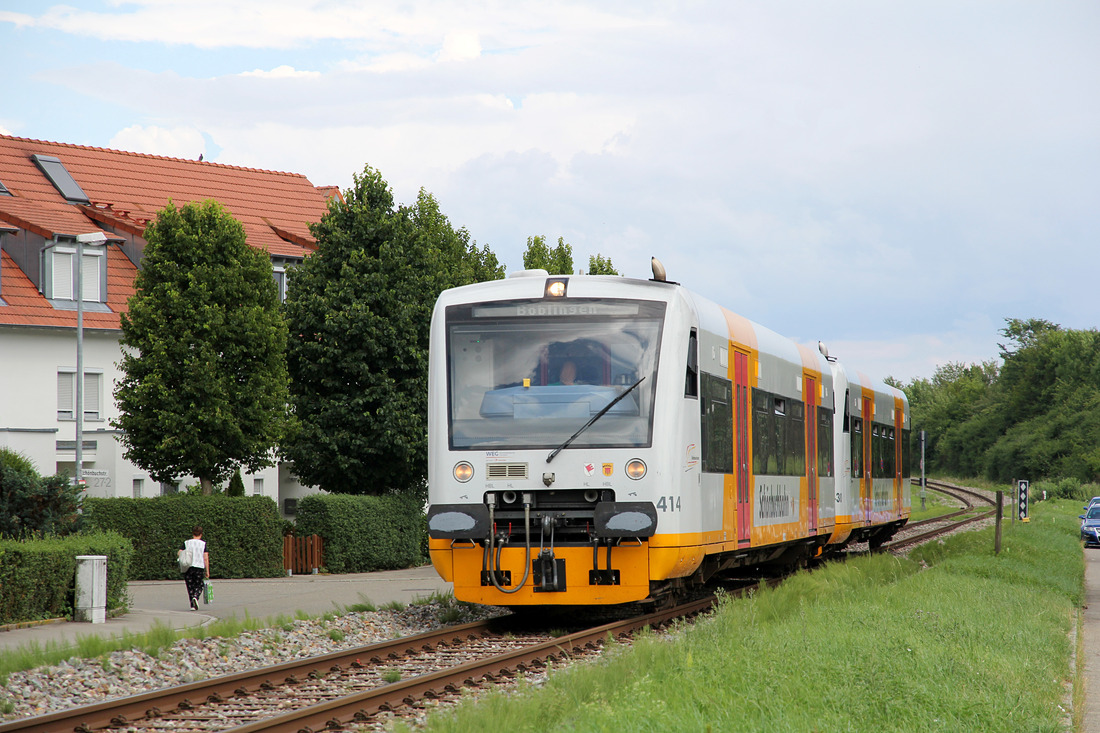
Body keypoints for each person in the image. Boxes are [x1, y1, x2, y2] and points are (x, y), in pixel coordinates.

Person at [178, 525, 210, 611]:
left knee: (190, 585)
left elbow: (179, 553)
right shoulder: (203, 544)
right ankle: (196, 596)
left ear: (192, 533)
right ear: (201, 534)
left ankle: (192, 605)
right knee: (199, 584)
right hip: (199, 566)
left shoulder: (186, 543)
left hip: (188, 566)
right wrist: (207, 571)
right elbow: (205, 558)